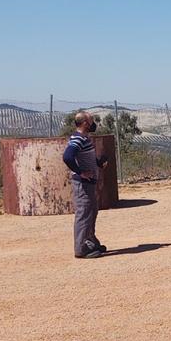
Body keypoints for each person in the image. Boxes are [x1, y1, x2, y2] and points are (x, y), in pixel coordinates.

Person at [62, 111, 110, 259]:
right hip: (82, 184)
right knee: (83, 215)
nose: (93, 124)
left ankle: (90, 242)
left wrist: (98, 163)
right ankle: (81, 248)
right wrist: (80, 172)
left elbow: (86, 156)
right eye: (91, 121)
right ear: (84, 124)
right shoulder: (77, 139)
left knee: (91, 212)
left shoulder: (84, 138)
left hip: (89, 183)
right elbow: (68, 156)